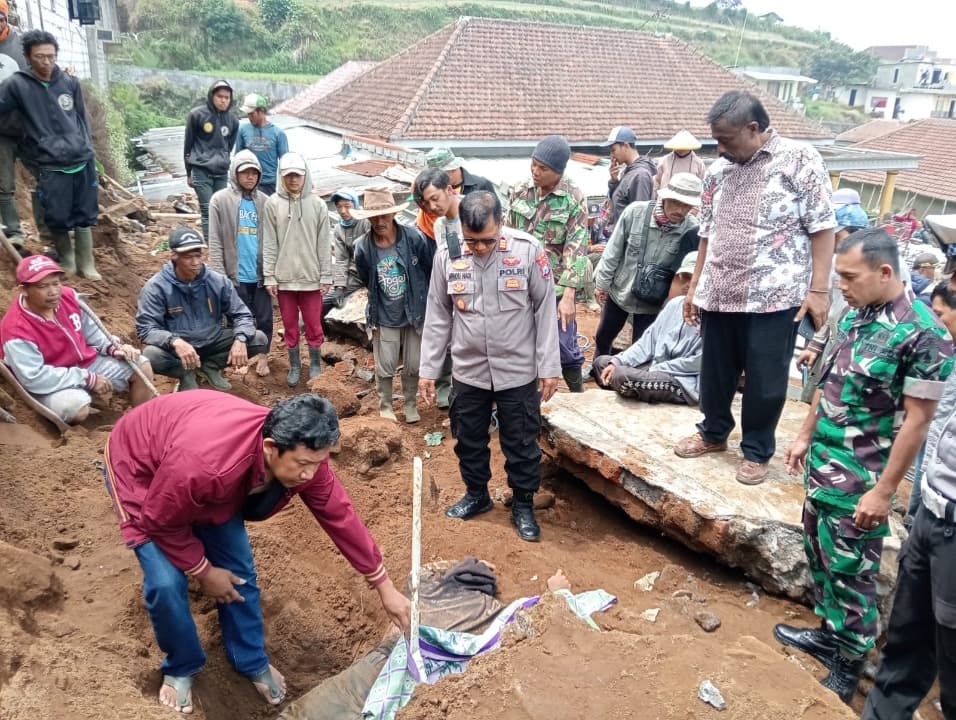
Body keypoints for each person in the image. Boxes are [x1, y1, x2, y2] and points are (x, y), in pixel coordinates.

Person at [102, 391, 411, 714]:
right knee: (166, 583)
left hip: (201, 472)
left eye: (317, 464)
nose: (309, 474)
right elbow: (160, 521)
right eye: (303, 465)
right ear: (270, 448)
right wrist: (204, 570)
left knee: (239, 570)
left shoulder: (303, 452)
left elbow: (340, 516)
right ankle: (182, 665)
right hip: (141, 467)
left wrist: (384, 586)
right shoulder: (206, 464)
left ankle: (248, 658)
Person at [775, 228, 953, 704]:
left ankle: (849, 661)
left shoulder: (924, 334)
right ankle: (829, 633)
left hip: (862, 478)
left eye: (850, 277)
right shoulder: (857, 315)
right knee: (821, 556)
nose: (843, 286)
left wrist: (883, 491)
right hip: (823, 465)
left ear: (886, 271)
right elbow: (829, 380)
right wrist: (805, 434)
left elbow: (918, 422)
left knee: (853, 573)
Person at [676, 90, 837, 486]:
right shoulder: (718, 171)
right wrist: (695, 285)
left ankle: (756, 449)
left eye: (726, 139)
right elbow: (707, 234)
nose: (719, 147)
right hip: (721, 289)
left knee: (765, 377)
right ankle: (713, 432)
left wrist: (819, 290)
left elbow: (822, 226)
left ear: (753, 128)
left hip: (775, 294)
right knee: (715, 371)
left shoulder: (800, 160)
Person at [419, 191, 561, 542]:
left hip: (517, 368)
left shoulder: (527, 251)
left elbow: (545, 311)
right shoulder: (448, 254)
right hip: (469, 369)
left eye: (487, 241)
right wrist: (428, 369)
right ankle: (477, 495)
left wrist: (549, 366)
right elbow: (438, 313)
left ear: (502, 223)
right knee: (468, 438)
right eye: (472, 240)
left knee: (521, 442)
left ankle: (524, 504)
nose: (479, 248)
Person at [862, 283, 956, 719]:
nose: (939, 319)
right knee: (906, 645)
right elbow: (933, 437)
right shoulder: (950, 360)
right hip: (932, 517)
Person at [0, 254, 154, 423]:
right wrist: (87, 378)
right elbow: (34, 377)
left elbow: (93, 331)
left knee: (142, 366)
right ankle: (79, 401)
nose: (53, 292)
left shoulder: (68, 297)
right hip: (49, 382)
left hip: (85, 363)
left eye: (56, 283)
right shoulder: (16, 330)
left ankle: (141, 423)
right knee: (75, 407)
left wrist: (114, 347)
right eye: (43, 286)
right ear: (23, 290)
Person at [0, 30, 101, 280]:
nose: (46, 63)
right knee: (56, 214)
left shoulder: (69, 82)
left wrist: (86, 147)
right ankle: (67, 260)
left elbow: (81, 118)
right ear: (27, 57)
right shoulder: (17, 85)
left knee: (85, 213)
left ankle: (86, 263)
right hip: (49, 161)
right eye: (39, 57)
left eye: (51, 56)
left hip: (80, 158)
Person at [137, 226, 269, 391]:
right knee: (150, 356)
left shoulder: (217, 281)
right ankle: (186, 373)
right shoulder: (157, 287)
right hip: (178, 350)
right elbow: (146, 328)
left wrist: (240, 338)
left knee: (258, 339)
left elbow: (242, 314)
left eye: (198, 256)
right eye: (188, 257)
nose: (195, 262)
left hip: (213, 341)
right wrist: (174, 341)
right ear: (174, 256)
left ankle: (210, 367)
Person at [507, 135, 588, 392]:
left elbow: (577, 247)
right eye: (534, 164)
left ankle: (579, 397)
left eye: (543, 169)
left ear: (559, 172)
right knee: (519, 345)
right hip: (519, 283)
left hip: (556, 286)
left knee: (565, 347)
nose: (535, 172)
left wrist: (569, 296)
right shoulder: (520, 191)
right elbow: (507, 236)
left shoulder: (573, 198)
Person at [593, 173, 701, 357]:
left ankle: (630, 381)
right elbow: (613, 251)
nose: (681, 210)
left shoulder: (692, 230)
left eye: (687, 205)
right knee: (604, 336)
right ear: (665, 197)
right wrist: (602, 284)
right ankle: (597, 367)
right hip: (621, 291)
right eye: (677, 202)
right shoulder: (635, 213)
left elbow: (687, 272)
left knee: (642, 345)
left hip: (653, 302)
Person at [354, 188, 434, 423]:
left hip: (414, 311)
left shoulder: (413, 238)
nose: (380, 222)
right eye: (374, 217)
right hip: (384, 312)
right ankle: (385, 405)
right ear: (368, 218)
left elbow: (427, 271)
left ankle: (410, 404)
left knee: (413, 363)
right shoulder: (363, 247)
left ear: (393, 215)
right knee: (385, 363)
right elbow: (365, 276)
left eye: (384, 216)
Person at [591, 251, 702, 404]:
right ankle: (639, 393)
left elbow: (698, 363)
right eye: (685, 278)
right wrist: (618, 361)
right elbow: (646, 343)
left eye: (695, 280)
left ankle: (639, 391)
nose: (688, 285)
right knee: (602, 363)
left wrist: (653, 370)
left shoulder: (714, 317)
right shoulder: (675, 305)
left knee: (623, 376)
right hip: (656, 369)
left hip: (682, 380)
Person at [262, 152, 333, 386]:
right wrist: (270, 275)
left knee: (313, 324)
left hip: (311, 278)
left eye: (297, 176)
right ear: (282, 176)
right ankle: (295, 365)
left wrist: (326, 275)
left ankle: (314, 363)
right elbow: (270, 242)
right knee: (290, 325)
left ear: (305, 176)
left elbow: (324, 243)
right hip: (284, 279)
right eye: (289, 175)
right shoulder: (272, 204)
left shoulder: (318, 205)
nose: (293, 180)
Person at [207, 150, 272, 378]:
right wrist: (218, 276)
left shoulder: (265, 202)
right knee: (235, 318)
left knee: (264, 318)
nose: (250, 177)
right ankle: (238, 359)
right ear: (235, 173)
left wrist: (271, 272)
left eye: (254, 172)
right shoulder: (220, 200)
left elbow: (272, 240)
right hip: (234, 275)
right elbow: (214, 241)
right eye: (245, 172)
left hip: (260, 274)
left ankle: (263, 357)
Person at [413, 167, 463, 408]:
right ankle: (448, 387)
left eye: (436, 198)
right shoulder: (440, 225)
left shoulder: (474, 212)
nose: (433, 206)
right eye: (427, 202)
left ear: (449, 189)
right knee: (449, 338)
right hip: (454, 289)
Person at [184, 79, 239, 242]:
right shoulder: (196, 115)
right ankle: (211, 247)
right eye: (220, 96)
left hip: (221, 172)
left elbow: (228, 147)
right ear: (211, 96)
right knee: (207, 210)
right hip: (201, 170)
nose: (223, 100)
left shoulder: (233, 121)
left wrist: (222, 160)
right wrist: (189, 172)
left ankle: (220, 245)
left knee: (220, 209)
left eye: (227, 97)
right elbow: (188, 145)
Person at [0, 1, 28, 245]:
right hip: (1, 131)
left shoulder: (22, 46)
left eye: (0, 17)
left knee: (46, 178)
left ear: (6, 19)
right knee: (4, 184)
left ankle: (50, 230)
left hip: (30, 125)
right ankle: (14, 232)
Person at [324, 188, 370, 318]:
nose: (343, 211)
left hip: (373, 272)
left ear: (355, 204)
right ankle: (303, 329)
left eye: (347, 206)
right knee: (324, 300)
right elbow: (341, 259)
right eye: (339, 207)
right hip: (355, 275)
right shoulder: (339, 229)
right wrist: (339, 286)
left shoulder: (366, 222)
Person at [601, 126, 656, 232]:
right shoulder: (628, 172)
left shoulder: (640, 175)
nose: (612, 155)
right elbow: (620, 201)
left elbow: (640, 218)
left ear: (625, 145)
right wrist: (614, 181)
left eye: (613, 150)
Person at [235, 93, 288, 196]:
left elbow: (285, 162)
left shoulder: (278, 134)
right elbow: (238, 158)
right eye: (248, 114)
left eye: (252, 114)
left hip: (269, 183)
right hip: (248, 182)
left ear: (262, 112)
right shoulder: (242, 130)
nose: (249, 117)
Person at [424, 146, 496, 196]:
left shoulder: (481, 185)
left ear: (453, 169)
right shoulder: (438, 188)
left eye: (439, 175)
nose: (437, 179)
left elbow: (495, 214)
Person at [654, 130, 706, 196]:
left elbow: (701, 185)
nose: (681, 150)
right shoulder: (664, 161)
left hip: (689, 201)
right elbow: (657, 181)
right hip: (666, 200)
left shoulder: (699, 163)